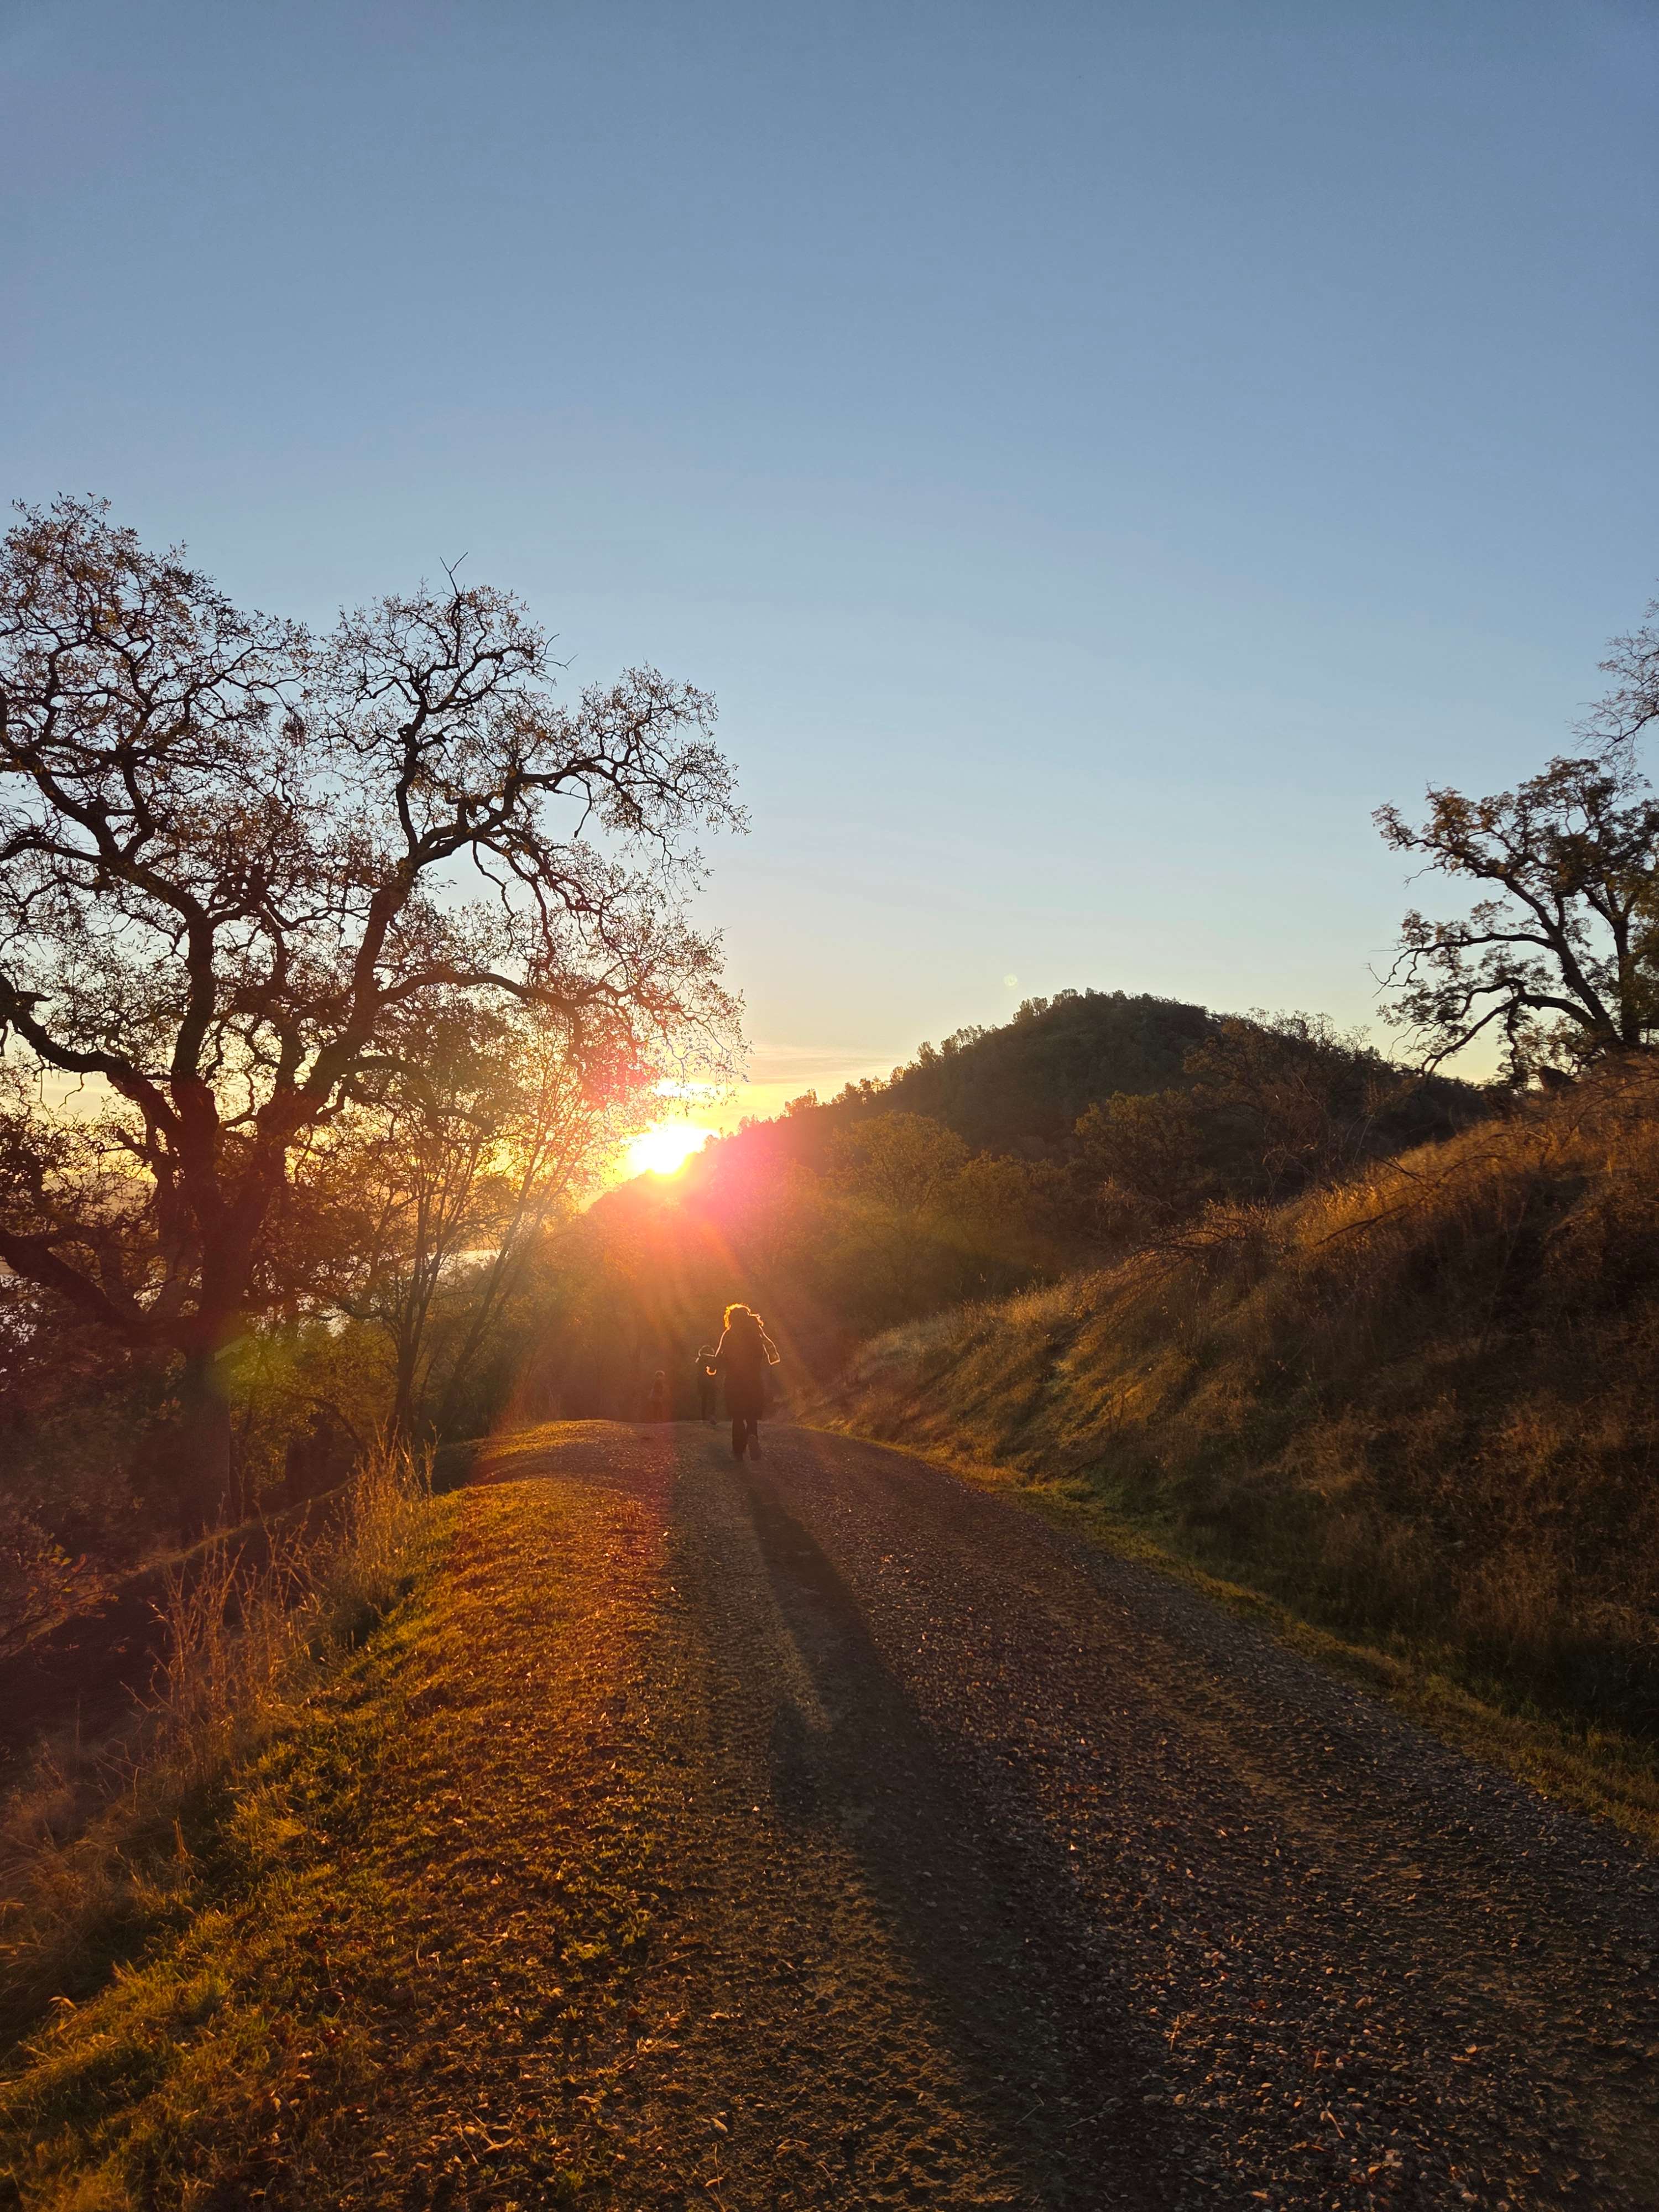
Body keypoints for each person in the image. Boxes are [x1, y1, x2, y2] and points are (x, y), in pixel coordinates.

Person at [711, 1302, 779, 1461]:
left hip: (734, 1381)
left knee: (737, 1416)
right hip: (754, 1380)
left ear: (731, 1319)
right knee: (751, 1414)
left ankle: (739, 1450)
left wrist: (713, 1366)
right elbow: (761, 1356)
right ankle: (752, 1436)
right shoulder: (756, 1334)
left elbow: (721, 1357)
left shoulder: (729, 1335)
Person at [693, 1343, 719, 1425]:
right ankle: (712, 1415)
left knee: (704, 1400)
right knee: (712, 1400)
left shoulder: (699, 1360)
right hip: (711, 1383)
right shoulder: (712, 1359)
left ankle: (704, 1418)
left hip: (702, 1383)